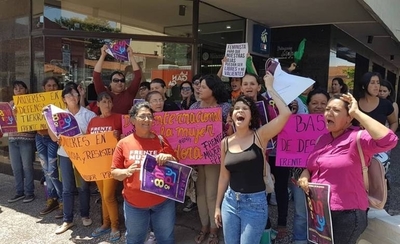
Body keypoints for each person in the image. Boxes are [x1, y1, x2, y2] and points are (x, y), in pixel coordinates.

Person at [298, 93, 397, 244]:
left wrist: (358, 112)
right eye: (328, 109)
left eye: (336, 110)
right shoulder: (322, 139)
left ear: (349, 118)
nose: (329, 113)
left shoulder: (359, 138)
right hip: (320, 211)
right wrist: (305, 175)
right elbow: (312, 166)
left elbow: (389, 140)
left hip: (347, 214)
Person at [215, 72, 291, 244]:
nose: (240, 111)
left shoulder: (260, 136)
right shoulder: (225, 143)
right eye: (237, 108)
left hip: (255, 204)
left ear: (251, 116)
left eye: (245, 108)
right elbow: (223, 176)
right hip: (230, 203)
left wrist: (270, 87)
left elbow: (285, 114)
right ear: (232, 115)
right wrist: (217, 206)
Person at [111, 102, 177, 244]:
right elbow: (114, 172)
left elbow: (176, 164)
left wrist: (169, 158)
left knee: (166, 239)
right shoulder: (123, 143)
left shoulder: (160, 140)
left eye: (149, 116)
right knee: (135, 240)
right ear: (133, 120)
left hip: (163, 203)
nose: (147, 120)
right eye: (143, 116)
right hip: (135, 204)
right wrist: (126, 171)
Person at [190, 74, 231, 244]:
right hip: (197, 159)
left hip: (216, 158)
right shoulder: (193, 107)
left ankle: (214, 228)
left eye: (203, 87)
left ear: (213, 90)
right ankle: (204, 226)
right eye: (199, 86)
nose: (199, 89)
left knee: (212, 193)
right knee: (200, 194)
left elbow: (230, 133)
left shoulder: (225, 108)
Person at [53, 85, 97, 234]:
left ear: (79, 96)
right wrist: (57, 138)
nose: (73, 97)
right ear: (64, 99)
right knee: (66, 188)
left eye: (75, 94)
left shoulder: (89, 115)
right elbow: (53, 135)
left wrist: (83, 136)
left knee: (84, 186)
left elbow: (94, 136)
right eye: (69, 95)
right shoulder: (59, 115)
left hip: (83, 156)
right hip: (65, 154)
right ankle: (67, 219)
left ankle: (85, 215)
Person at [289, 88, 330, 244]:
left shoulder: (336, 127)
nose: (319, 106)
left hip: (326, 177)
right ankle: (299, 240)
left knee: (322, 214)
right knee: (301, 212)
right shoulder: (297, 123)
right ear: (308, 105)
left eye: (323, 103)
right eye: (314, 103)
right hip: (300, 175)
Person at [86, 92, 122, 242]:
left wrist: (118, 135)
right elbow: (87, 141)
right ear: (98, 105)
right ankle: (105, 223)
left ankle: (115, 226)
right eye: (104, 102)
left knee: (108, 196)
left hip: (112, 164)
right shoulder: (93, 121)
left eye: (109, 102)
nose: (107, 105)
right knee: (103, 197)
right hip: (97, 165)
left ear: (112, 104)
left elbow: (128, 135)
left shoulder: (118, 118)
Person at [37, 77, 64, 218]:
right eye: (49, 85)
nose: (52, 88)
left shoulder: (60, 103)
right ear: (43, 87)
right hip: (39, 137)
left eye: (54, 85)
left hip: (52, 139)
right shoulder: (36, 101)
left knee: (52, 171)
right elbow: (26, 118)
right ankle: (52, 199)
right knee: (45, 171)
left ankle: (62, 201)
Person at [7, 80, 36, 204]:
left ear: (26, 90)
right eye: (15, 89)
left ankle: (29, 192)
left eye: (21, 88)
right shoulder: (9, 104)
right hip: (12, 139)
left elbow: (34, 123)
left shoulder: (32, 103)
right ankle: (19, 192)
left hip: (27, 139)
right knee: (16, 168)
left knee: (27, 167)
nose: (18, 91)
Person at [93, 45, 142, 114]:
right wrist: (103, 56)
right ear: (110, 83)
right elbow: (96, 76)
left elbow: (138, 76)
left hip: (125, 124)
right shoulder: (104, 94)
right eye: (116, 80)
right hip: (109, 124)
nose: (119, 82)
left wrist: (131, 56)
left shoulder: (129, 93)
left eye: (122, 80)